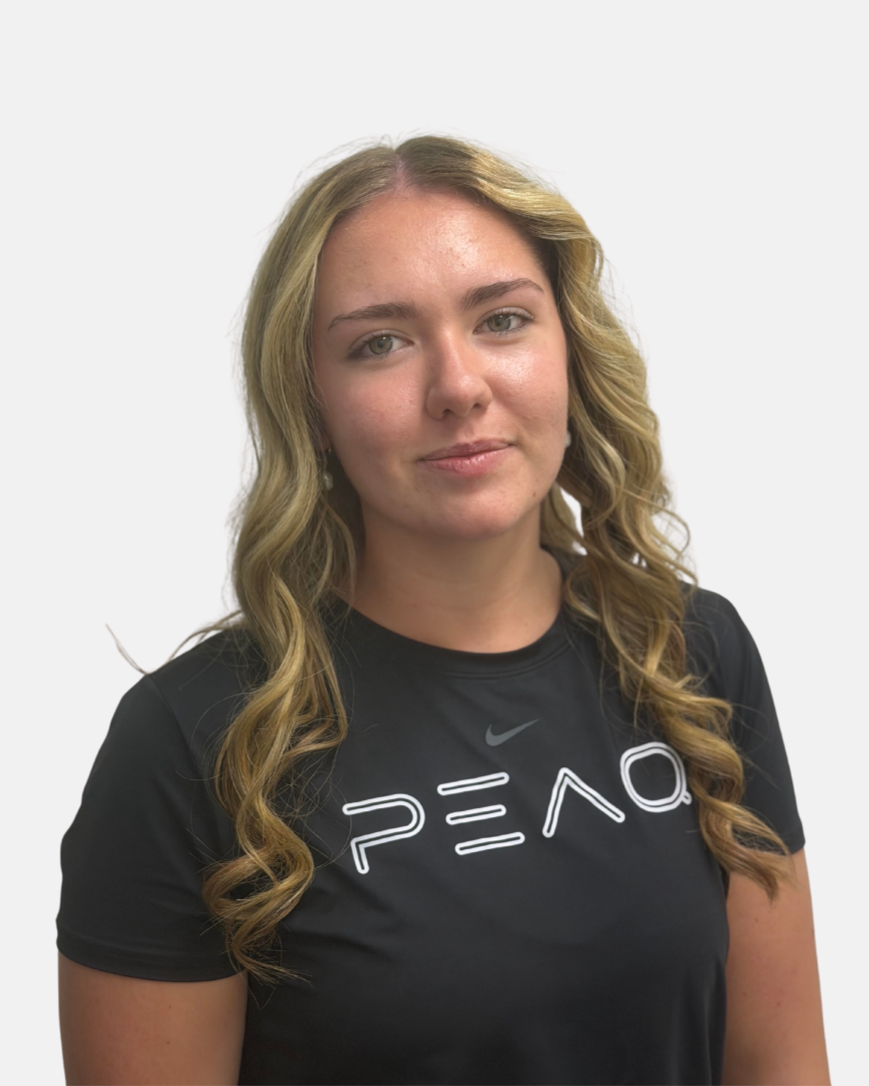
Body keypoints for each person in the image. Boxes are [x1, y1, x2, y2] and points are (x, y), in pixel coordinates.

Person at [56, 135, 830, 1086]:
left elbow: (781, 1065)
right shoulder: (197, 742)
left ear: (571, 352)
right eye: (379, 343)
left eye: (502, 320)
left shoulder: (690, 653)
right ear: (311, 403)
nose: (459, 387)